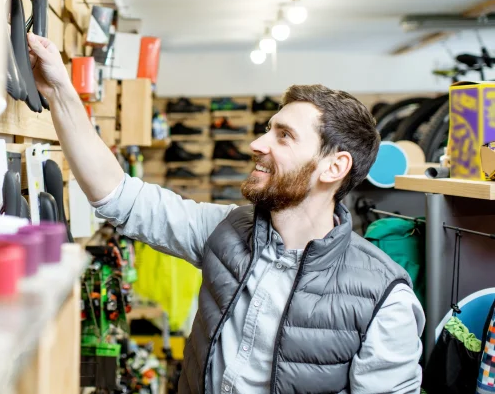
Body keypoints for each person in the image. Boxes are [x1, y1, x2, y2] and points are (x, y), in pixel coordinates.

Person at [27, 33, 425, 394]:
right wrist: (60, 90)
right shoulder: (226, 230)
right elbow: (118, 195)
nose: (257, 144)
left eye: (284, 136)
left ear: (334, 167)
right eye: (268, 129)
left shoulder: (384, 297)